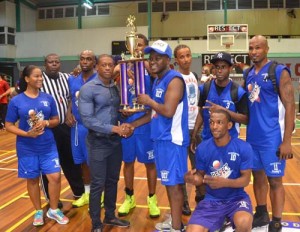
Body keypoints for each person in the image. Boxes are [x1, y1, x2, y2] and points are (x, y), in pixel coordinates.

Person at [5, 65, 69, 226]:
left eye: (41, 76)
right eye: (36, 76)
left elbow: (56, 120)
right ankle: (38, 211)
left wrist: (46, 122)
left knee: (54, 176)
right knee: (32, 179)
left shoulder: (48, 98)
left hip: (48, 145)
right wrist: (27, 134)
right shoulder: (17, 101)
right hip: (27, 147)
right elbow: (9, 125)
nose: (40, 79)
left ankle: (54, 210)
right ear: (27, 79)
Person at [244, 35, 295, 232]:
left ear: (267, 49)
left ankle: (276, 220)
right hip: (252, 137)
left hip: (272, 137)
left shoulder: (278, 71)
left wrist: (287, 141)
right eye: (251, 48)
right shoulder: (249, 73)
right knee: (257, 176)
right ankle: (262, 211)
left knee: (275, 180)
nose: (254, 51)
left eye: (258, 47)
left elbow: (290, 105)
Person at [137, 40, 189, 232]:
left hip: (172, 141)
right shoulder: (158, 80)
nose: (153, 62)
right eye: (151, 58)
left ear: (168, 60)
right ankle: (175, 221)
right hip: (160, 140)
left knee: (174, 185)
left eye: (158, 58)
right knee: (168, 182)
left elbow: (167, 111)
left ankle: (177, 227)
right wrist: (131, 125)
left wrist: (148, 100)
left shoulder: (174, 79)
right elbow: (153, 114)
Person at [78, 54, 131, 232]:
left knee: (112, 180)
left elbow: (115, 112)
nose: (108, 68)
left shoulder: (115, 87)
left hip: (115, 143)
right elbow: (88, 120)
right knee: (98, 183)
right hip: (97, 142)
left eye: (110, 65)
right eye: (104, 65)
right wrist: (115, 129)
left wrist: (125, 115)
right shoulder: (88, 89)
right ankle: (96, 223)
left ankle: (110, 215)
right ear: (97, 67)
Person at [185, 109, 253, 232]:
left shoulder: (243, 147)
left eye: (219, 122)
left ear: (229, 125)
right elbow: (200, 176)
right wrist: (193, 179)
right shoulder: (202, 148)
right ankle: (220, 220)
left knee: (244, 223)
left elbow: (246, 180)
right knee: (193, 230)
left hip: (237, 199)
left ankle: (226, 220)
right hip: (212, 200)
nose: (214, 126)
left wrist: (224, 183)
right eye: (211, 122)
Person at [116, 34, 160, 218]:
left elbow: (157, 83)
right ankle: (129, 197)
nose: (137, 49)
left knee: (150, 163)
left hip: (145, 123)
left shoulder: (151, 69)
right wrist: (121, 108)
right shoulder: (122, 68)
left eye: (140, 45)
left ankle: (152, 199)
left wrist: (145, 65)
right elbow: (116, 91)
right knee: (128, 162)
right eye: (134, 45)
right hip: (127, 122)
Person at [40, 53, 84, 208]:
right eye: (50, 62)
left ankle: (79, 192)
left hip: (65, 127)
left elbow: (73, 96)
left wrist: (69, 112)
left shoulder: (67, 77)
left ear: (60, 64)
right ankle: (52, 199)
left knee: (71, 161)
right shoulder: (39, 79)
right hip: (46, 128)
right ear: (45, 64)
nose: (54, 64)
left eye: (56, 62)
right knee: (48, 164)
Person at [191, 51, 248, 152]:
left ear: (230, 68)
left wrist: (224, 111)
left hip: (230, 144)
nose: (220, 71)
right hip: (207, 142)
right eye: (217, 67)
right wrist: (194, 133)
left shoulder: (237, 91)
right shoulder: (205, 88)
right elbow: (201, 112)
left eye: (223, 67)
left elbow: (245, 119)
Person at [66, 50, 97, 208]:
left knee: (96, 163)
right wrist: (68, 112)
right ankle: (87, 194)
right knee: (83, 162)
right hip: (78, 127)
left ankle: (99, 195)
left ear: (94, 62)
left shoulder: (99, 79)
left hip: (94, 128)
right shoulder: (73, 79)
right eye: (82, 59)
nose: (85, 62)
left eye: (88, 59)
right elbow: (72, 98)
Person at [174, 44, 202, 215]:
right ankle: (184, 202)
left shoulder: (194, 76)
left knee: (199, 166)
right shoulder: (175, 78)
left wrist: (197, 127)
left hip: (196, 129)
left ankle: (201, 197)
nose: (185, 59)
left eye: (188, 55)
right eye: (181, 56)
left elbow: (196, 104)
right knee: (181, 169)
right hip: (180, 130)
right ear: (176, 60)